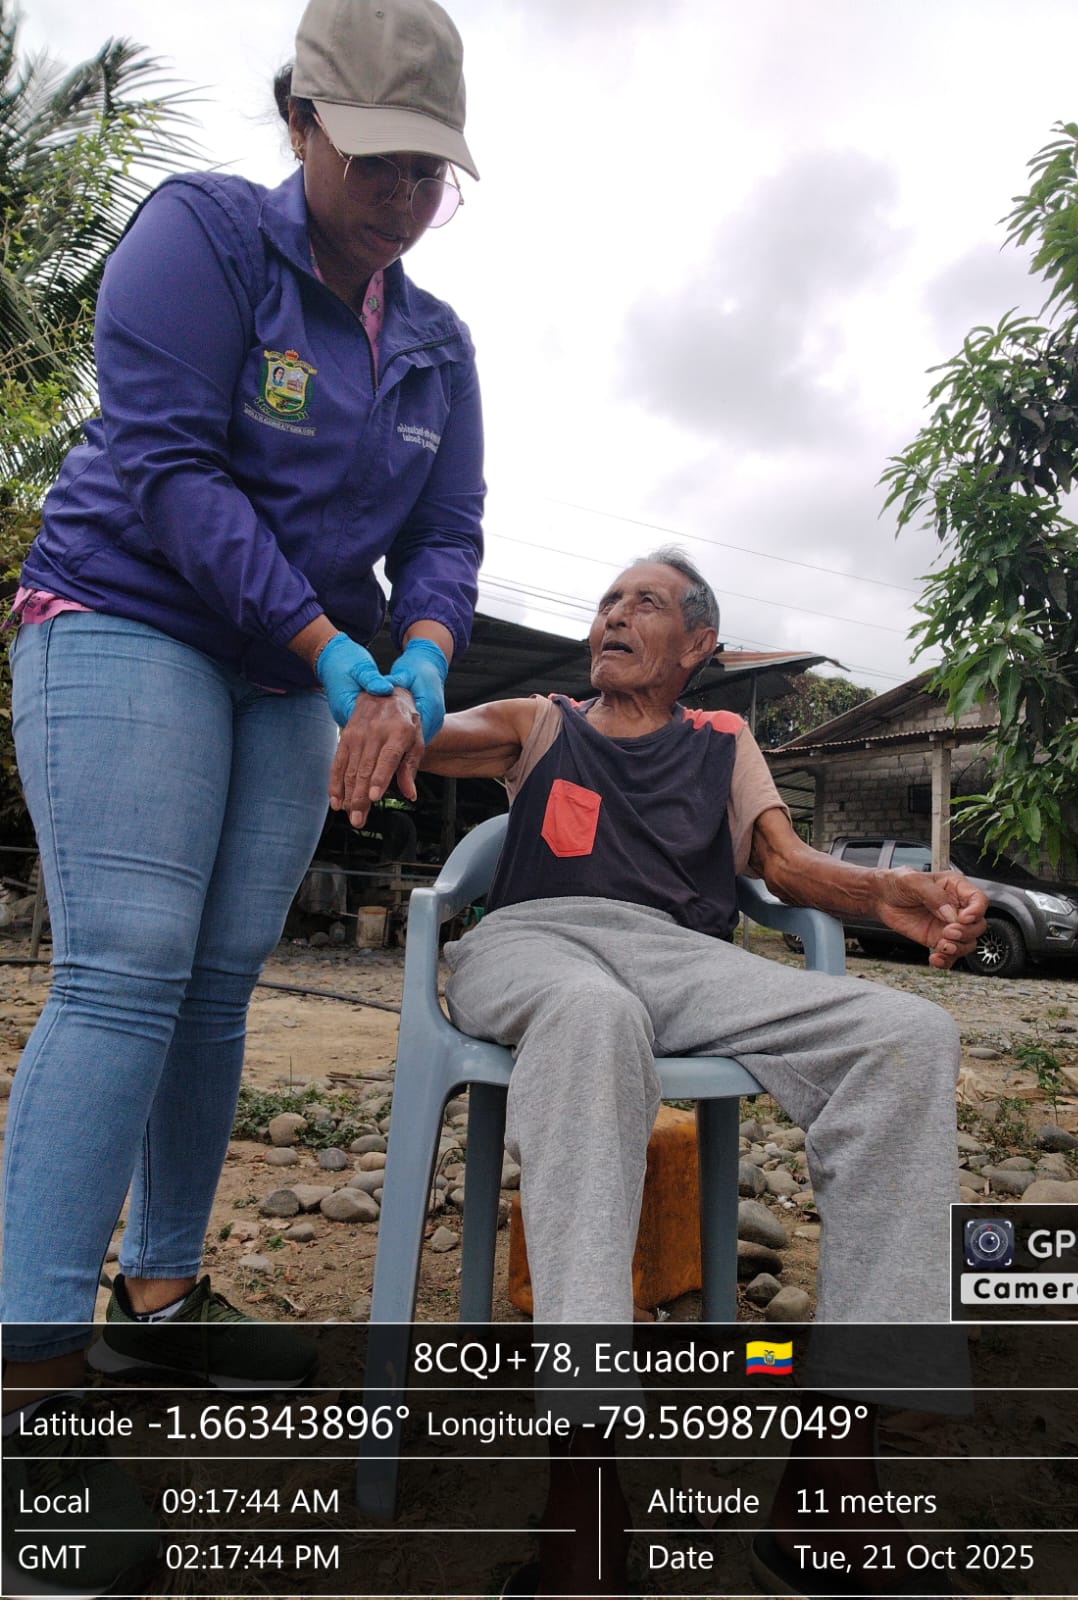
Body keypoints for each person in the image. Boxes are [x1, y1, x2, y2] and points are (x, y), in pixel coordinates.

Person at [1, 2, 483, 1592]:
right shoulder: (204, 239)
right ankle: (28, 1396)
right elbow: (168, 468)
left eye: (429, 169)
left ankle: (161, 1298)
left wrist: (419, 662)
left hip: (295, 672)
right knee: (126, 968)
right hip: (128, 615)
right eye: (377, 157)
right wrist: (328, 648)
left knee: (218, 987)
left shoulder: (437, 344)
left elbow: (452, 531)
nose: (401, 194)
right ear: (302, 122)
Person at [420, 548, 988, 1599]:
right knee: (594, 1017)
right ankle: (584, 1489)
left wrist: (881, 895)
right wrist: (373, 706)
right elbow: (431, 732)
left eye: (644, 602)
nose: (612, 615)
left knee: (906, 1038)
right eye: (607, 600)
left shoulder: (725, 740)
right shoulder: (542, 721)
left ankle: (828, 1492)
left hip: (683, 954)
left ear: (698, 644)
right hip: (537, 939)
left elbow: (784, 865)